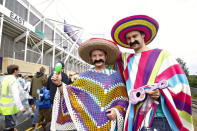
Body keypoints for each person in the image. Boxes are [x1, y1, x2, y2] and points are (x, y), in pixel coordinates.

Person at [111, 15, 194, 131]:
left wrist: (162, 92)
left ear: (143, 35)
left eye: (134, 36)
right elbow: (107, 53)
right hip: (136, 119)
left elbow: (181, 84)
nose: (131, 40)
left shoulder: (163, 55)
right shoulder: (126, 59)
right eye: (128, 38)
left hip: (161, 117)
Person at [51, 38, 129, 130]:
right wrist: (59, 84)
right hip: (87, 122)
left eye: (100, 55)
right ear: (91, 58)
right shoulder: (85, 76)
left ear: (106, 56)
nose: (97, 58)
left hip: (110, 124)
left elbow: (123, 100)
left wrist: (116, 112)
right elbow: (69, 94)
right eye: (94, 56)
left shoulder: (115, 76)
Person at [0, 65, 26, 131]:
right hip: (11, 108)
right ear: (15, 71)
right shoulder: (13, 80)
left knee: (11, 127)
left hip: (4, 106)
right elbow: (16, 95)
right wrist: (21, 107)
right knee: (11, 127)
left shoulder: (5, 79)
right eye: (18, 70)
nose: (19, 71)